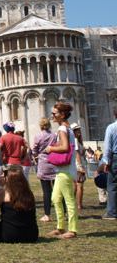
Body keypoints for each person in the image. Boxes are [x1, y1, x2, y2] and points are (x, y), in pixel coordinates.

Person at [46, 102, 78, 239]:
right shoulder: (67, 128)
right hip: (62, 170)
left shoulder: (62, 129)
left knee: (69, 200)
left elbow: (65, 147)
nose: (52, 115)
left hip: (65, 170)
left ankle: (72, 229)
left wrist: (51, 148)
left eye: (55, 113)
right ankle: (60, 227)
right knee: (55, 198)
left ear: (62, 115)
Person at [0, 165, 39, 243]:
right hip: (31, 236)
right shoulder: (28, 194)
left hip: (10, 236)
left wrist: (0, 187)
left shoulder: (5, 193)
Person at [31, 118, 56, 222]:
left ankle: (47, 215)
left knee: (46, 191)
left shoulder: (38, 136)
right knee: (58, 189)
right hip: (54, 162)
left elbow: (34, 150)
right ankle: (64, 213)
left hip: (43, 163)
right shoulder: (54, 135)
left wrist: (37, 155)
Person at [101, 107, 117, 220]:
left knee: (112, 185)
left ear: (114, 114)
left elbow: (107, 147)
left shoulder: (111, 128)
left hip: (115, 157)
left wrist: (106, 161)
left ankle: (112, 212)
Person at [71, 123, 87, 211]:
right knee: (79, 185)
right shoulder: (75, 140)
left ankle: (72, 203)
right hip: (77, 165)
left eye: (79, 130)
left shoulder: (77, 140)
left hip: (76, 165)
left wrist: (83, 150)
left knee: (76, 186)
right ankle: (79, 205)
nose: (79, 132)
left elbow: (80, 153)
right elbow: (77, 154)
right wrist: (80, 166)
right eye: (77, 130)